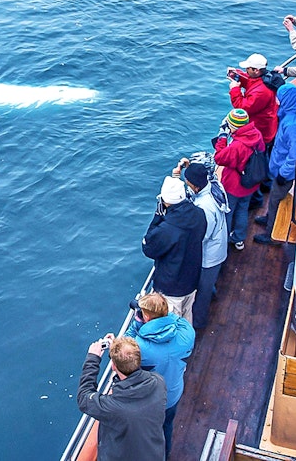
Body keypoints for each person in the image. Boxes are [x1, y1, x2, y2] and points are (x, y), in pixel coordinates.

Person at [125, 292, 195, 460]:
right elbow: (176, 320)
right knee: (167, 426)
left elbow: (124, 349)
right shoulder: (187, 333)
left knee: (148, 436)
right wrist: (160, 314)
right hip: (173, 394)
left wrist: (137, 324)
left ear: (147, 318)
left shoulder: (141, 347)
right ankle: (166, 455)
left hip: (151, 402)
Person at [77, 335, 166, 461]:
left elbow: (84, 397)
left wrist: (93, 358)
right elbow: (129, 366)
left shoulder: (113, 407)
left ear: (113, 366)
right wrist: (119, 350)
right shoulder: (158, 382)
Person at [142, 177, 205, 323]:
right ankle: (188, 342)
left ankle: (180, 345)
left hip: (172, 286)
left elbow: (148, 248)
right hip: (192, 278)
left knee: (171, 324)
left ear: (165, 200)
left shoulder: (166, 229)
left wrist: (157, 216)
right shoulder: (199, 214)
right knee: (187, 315)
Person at [254, 84, 296, 245]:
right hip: (279, 166)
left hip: (284, 171)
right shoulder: (292, 113)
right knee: (274, 197)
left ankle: (272, 234)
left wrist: (284, 173)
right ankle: (269, 218)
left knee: (276, 200)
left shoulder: (293, 124)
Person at [181, 162, 228, 329]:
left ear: (195, 185)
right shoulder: (215, 185)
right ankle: (211, 291)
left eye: (188, 183)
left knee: (202, 292)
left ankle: (198, 323)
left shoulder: (205, 208)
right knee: (208, 282)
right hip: (219, 246)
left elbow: (203, 235)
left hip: (210, 255)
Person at [213, 109, 266, 251]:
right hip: (250, 183)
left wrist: (223, 137)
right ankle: (239, 239)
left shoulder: (237, 146)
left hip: (234, 185)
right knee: (243, 209)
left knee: (228, 212)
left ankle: (224, 240)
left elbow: (219, 157)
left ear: (234, 126)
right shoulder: (257, 135)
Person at [228, 53, 278, 147]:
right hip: (263, 125)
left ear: (256, 70)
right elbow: (251, 81)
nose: (246, 70)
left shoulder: (261, 92)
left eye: (248, 68)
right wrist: (237, 74)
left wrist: (234, 89)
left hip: (261, 131)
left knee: (258, 154)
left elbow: (242, 108)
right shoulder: (263, 78)